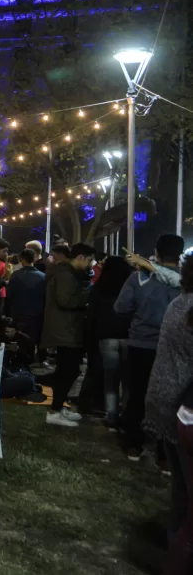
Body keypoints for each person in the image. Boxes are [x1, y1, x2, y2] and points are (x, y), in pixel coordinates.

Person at [116, 234, 185, 459]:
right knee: (172, 399)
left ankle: (133, 443)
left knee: (135, 394)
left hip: (140, 344)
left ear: (157, 251)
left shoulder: (139, 279)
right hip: (174, 349)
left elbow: (121, 308)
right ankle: (165, 454)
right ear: (180, 254)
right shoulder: (186, 282)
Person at [143, 252, 193, 559]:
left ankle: (175, 540)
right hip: (183, 406)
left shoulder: (179, 303)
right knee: (187, 490)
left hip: (167, 398)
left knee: (182, 486)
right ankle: (180, 548)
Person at [41, 242, 95, 427]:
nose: (91, 264)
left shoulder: (66, 273)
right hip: (65, 329)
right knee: (68, 371)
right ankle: (54, 411)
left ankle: (57, 407)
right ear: (79, 257)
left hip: (67, 328)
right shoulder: (65, 275)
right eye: (89, 260)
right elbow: (65, 301)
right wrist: (88, 293)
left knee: (67, 370)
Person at [88, 255, 134, 430]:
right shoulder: (130, 287)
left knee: (111, 379)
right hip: (129, 336)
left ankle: (111, 415)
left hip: (106, 337)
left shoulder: (99, 287)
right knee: (128, 380)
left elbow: (92, 314)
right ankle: (128, 415)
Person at [5, 249, 47, 353]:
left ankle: (25, 363)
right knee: (38, 338)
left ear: (22, 260)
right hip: (38, 313)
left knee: (24, 342)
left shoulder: (16, 275)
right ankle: (39, 360)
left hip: (20, 313)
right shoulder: (43, 276)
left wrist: (7, 312)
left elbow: (9, 295)